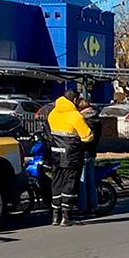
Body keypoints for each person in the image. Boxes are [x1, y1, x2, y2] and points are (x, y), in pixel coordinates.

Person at [46, 90, 94, 226]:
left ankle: (55, 216)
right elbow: (88, 136)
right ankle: (66, 217)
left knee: (56, 183)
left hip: (56, 154)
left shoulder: (53, 113)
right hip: (71, 156)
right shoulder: (75, 116)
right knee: (69, 185)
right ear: (74, 101)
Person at [77, 99, 103, 215]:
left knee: (82, 181)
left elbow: (83, 138)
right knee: (91, 181)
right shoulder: (97, 119)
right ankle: (94, 205)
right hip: (92, 152)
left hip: (84, 152)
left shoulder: (85, 120)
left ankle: (83, 207)